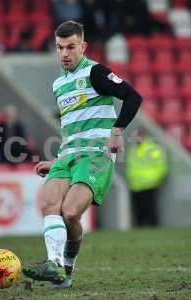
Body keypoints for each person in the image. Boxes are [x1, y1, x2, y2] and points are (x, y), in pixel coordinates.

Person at [22, 21, 142, 288]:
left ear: (83, 46)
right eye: (59, 47)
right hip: (68, 155)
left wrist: (117, 130)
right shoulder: (58, 85)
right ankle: (53, 264)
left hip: (96, 155)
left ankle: (66, 269)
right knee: (48, 203)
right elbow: (74, 127)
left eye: (71, 47)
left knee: (70, 213)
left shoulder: (95, 72)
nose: (65, 53)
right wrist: (58, 160)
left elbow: (133, 97)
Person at [126, 130, 168, 227]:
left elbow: (162, 167)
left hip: (150, 185)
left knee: (150, 210)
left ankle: (154, 228)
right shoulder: (133, 149)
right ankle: (141, 230)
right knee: (139, 212)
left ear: (143, 136)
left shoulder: (152, 148)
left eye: (138, 136)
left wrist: (154, 179)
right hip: (135, 186)